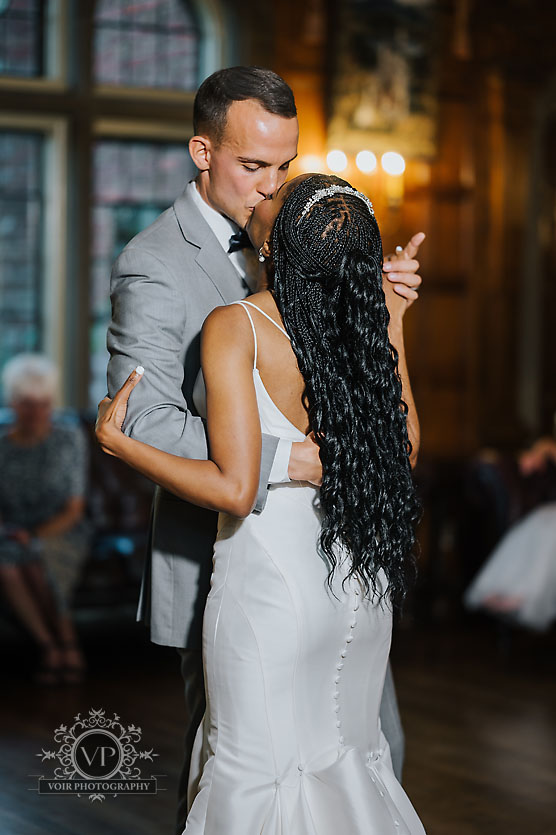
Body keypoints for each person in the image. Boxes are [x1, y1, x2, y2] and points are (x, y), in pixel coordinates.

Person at [105, 66, 424, 832]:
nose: (272, 187)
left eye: (286, 165)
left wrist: (374, 296)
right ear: (202, 152)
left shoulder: (306, 234)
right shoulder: (155, 261)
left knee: (371, 753)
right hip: (231, 561)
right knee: (236, 775)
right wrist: (286, 462)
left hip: (343, 557)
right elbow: (145, 418)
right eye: (253, 166)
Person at [0, 354, 90, 684]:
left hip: (64, 527)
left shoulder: (70, 438)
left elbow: (74, 509)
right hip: (12, 532)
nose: (36, 412)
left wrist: (35, 535)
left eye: (43, 403)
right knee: (7, 563)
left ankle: (68, 642)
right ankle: (48, 645)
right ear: (12, 403)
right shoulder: (2, 446)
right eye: (27, 403)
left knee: (40, 558)